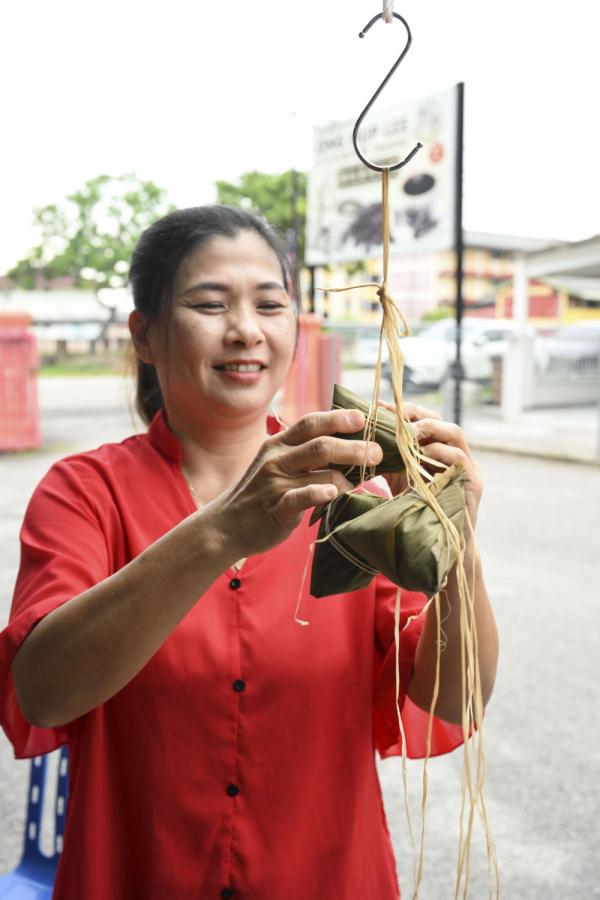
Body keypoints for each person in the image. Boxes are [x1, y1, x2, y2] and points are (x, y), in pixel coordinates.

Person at [0, 206, 498, 899]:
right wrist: (223, 530)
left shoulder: (359, 495)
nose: (246, 329)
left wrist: (455, 532)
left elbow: (447, 698)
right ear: (145, 335)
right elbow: (44, 693)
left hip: (328, 876)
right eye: (209, 304)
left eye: (271, 304)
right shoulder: (84, 493)